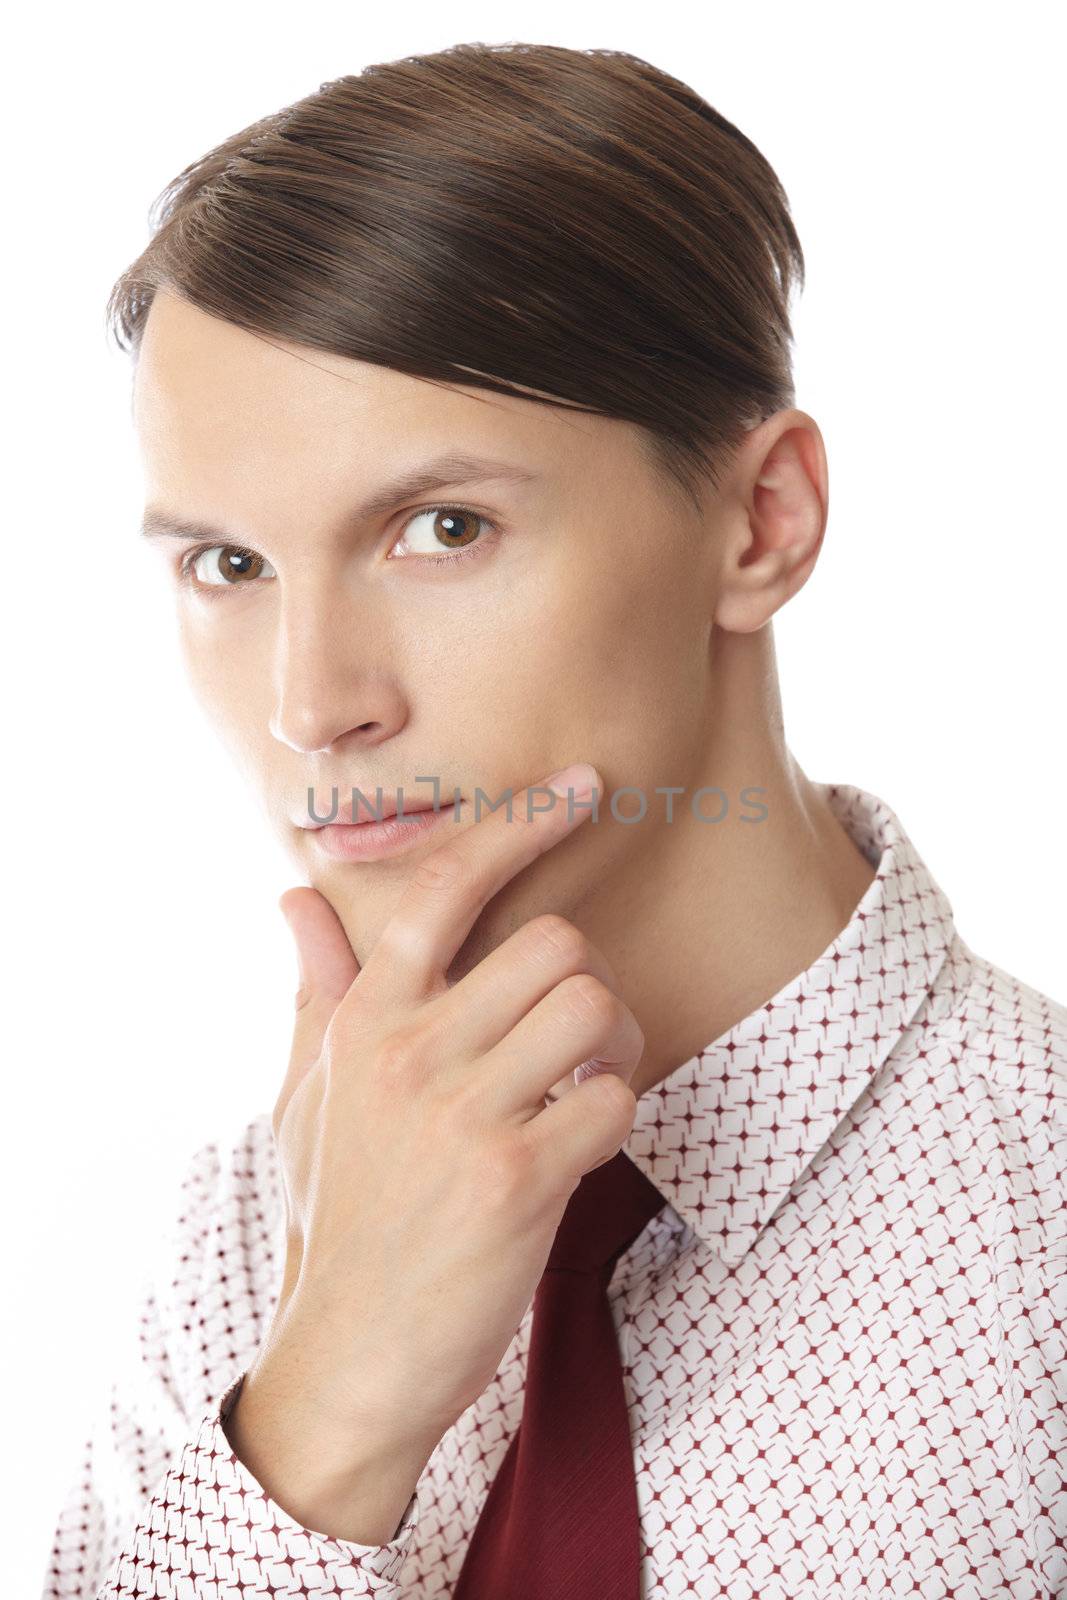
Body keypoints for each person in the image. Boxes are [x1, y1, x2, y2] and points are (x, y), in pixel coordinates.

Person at [43, 41, 1066, 1600]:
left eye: (441, 529)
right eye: (229, 568)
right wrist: (323, 1416)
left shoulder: (1039, 1235)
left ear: (760, 522)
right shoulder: (255, 1235)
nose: (314, 704)